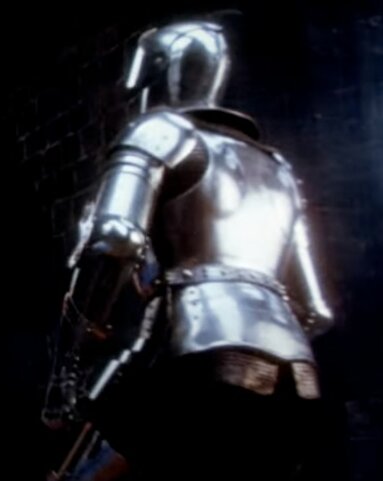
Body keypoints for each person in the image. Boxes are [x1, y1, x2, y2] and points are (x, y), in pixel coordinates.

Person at [42, 19, 334, 481]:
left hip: (199, 352)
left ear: (159, 76)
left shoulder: (160, 134)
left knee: (97, 464)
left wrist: (66, 372)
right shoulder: (277, 167)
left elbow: (114, 239)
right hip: (297, 371)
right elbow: (316, 310)